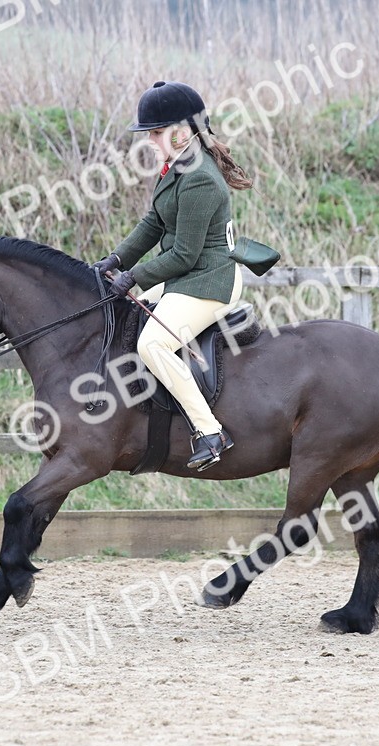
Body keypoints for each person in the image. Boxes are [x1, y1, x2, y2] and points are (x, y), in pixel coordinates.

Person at [92, 80, 254, 471]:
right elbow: (153, 224)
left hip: (209, 280)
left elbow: (184, 254)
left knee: (153, 344)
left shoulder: (199, 177)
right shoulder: (179, 167)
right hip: (189, 274)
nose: (150, 140)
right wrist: (114, 259)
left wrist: (134, 277)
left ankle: (210, 431)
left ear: (183, 131)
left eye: (157, 132)